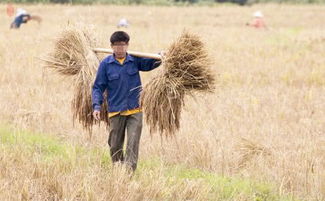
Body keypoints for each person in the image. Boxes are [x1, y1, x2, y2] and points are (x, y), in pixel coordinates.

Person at [92, 31, 162, 171]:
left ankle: (129, 174)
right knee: (115, 145)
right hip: (116, 110)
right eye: (117, 46)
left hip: (135, 110)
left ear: (127, 45)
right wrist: (96, 106)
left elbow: (150, 63)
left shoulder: (135, 60)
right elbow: (98, 87)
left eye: (123, 45)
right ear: (112, 46)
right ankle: (118, 169)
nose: (120, 49)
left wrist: (161, 56)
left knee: (132, 143)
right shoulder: (106, 65)